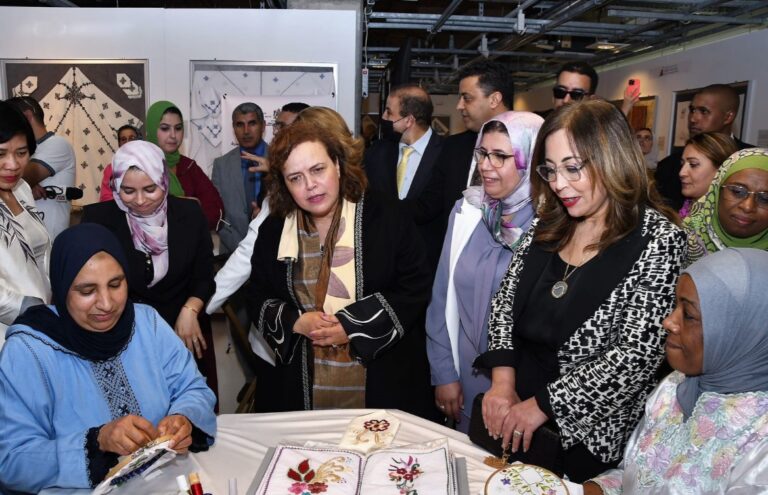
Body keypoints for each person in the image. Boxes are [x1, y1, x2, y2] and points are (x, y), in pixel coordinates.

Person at [478, 100, 685, 482]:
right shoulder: (548, 222)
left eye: (572, 168)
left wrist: (544, 405)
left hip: (585, 438)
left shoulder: (659, 239)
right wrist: (502, 383)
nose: (559, 183)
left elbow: (635, 356)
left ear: (612, 159)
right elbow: (504, 304)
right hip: (514, 409)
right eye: (550, 169)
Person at [0, 223, 216, 493]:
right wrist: (97, 441)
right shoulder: (28, 351)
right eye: (87, 291)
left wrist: (183, 418)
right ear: (62, 287)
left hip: (163, 481)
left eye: (116, 284)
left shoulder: (146, 323)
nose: (106, 303)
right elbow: (12, 459)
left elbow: (193, 388)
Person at [246, 120, 437, 419]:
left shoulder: (387, 215)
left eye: (317, 170)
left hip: (383, 384)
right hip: (296, 387)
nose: (310, 185)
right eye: (295, 178)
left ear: (337, 163)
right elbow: (256, 293)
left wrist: (353, 325)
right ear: (284, 183)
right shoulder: (274, 229)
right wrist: (296, 322)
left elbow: (416, 285)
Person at [584, 248, 768, 494]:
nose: (668, 321)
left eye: (689, 315)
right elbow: (634, 478)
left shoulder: (760, 439)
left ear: (743, 332)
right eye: (675, 305)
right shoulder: (675, 386)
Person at [426, 111, 543, 433]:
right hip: (466, 375)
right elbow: (441, 298)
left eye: (501, 156)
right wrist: (444, 373)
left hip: (524, 387)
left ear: (532, 159)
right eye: (482, 153)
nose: (486, 165)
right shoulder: (467, 211)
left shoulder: (551, 226)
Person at [82, 140, 218, 401]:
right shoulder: (99, 220)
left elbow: (204, 275)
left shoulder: (189, 213)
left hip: (182, 331)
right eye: (128, 191)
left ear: (163, 181)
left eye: (150, 189)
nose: (140, 200)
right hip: (121, 334)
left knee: (186, 406)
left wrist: (191, 308)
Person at [412, 60, 514, 269]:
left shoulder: (531, 148)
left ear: (494, 99)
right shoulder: (453, 147)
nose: (459, 106)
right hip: (455, 264)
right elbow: (427, 205)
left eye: (467, 98)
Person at [365, 84, 445, 272]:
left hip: (427, 265)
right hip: (381, 261)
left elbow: (430, 207)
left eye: (388, 112)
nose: (383, 117)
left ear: (409, 120)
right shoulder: (377, 152)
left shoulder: (446, 154)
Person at [656, 84, 754, 210]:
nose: (693, 119)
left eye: (704, 111)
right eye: (692, 110)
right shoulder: (669, 166)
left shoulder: (752, 161)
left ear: (728, 117)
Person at [0, 101, 50, 347]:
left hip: (41, 329)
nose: (12, 165)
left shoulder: (22, 189)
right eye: (1, 154)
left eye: (21, 153)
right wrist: (25, 307)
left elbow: (39, 254)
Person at [6, 96, 76, 240]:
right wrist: (24, 188)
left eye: (11, 121)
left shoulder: (57, 144)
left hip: (50, 240)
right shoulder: (21, 152)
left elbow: (20, 178)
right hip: (24, 238)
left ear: (27, 116)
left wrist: (22, 186)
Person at [683, 147, 768, 267]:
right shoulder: (679, 242)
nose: (748, 207)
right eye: (737, 191)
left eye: (765, 199)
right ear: (717, 191)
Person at [146, 100, 223, 230]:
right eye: (165, 128)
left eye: (178, 128)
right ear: (152, 129)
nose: (173, 135)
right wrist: (189, 205)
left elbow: (216, 210)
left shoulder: (189, 166)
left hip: (188, 240)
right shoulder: (139, 166)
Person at [212, 102, 268, 254]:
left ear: (263, 126)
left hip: (274, 251)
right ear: (233, 128)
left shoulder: (281, 160)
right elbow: (218, 214)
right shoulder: (221, 165)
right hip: (232, 251)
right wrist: (242, 249)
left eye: (252, 123)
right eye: (240, 125)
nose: (246, 131)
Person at [678, 132, 737, 219]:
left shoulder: (725, 219)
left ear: (721, 170)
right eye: (682, 164)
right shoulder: (688, 205)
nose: (681, 173)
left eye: (693, 164)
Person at [100, 124, 141, 202]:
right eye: (123, 139)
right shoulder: (111, 169)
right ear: (119, 144)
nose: (127, 142)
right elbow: (105, 197)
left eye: (132, 138)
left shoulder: (148, 165)